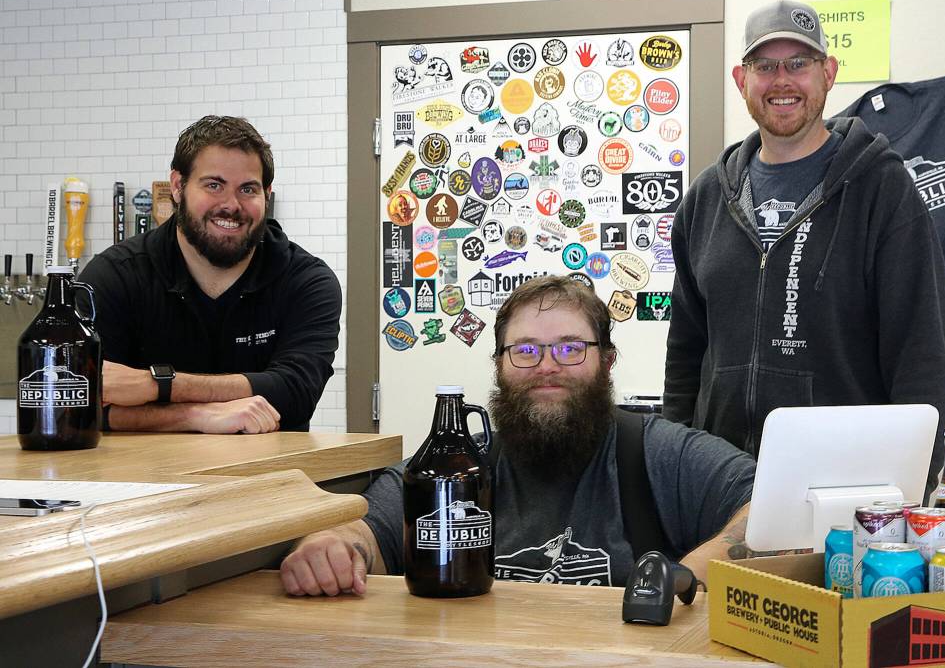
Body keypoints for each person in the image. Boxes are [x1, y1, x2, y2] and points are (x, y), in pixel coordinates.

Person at [281, 276, 755, 595]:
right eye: (525, 350)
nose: (547, 366)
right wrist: (334, 548)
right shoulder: (465, 464)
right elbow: (372, 528)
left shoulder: (659, 454)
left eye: (571, 348)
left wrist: (687, 576)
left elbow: (771, 504)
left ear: (607, 362)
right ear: (500, 367)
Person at [662, 0, 945, 500]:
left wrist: (910, 490)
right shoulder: (707, 199)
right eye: (765, 66)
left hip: (845, 490)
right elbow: (685, 356)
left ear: (828, 72)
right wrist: (670, 467)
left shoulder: (882, 190)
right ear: (741, 79)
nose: (782, 80)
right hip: (718, 485)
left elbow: (923, 355)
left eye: (799, 63)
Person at [79, 116, 342, 433]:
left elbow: (295, 392)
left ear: (267, 194)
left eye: (248, 189)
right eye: (214, 185)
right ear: (178, 186)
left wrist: (156, 385)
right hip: (143, 479)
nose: (231, 205)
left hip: (271, 476)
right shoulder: (113, 278)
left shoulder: (306, 281)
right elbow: (79, 406)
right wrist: (194, 417)